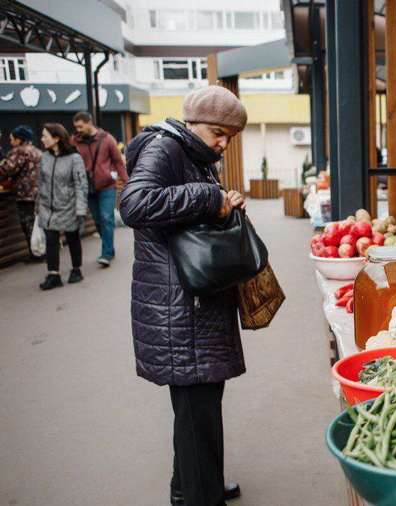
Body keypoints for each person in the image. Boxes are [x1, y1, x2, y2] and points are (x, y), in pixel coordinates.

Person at [120, 85, 248, 506]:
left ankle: (191, 485)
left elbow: (188, 213)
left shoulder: (191, 152)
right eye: (218, 132)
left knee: (199, 409)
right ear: (191, 122)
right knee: (198, 409)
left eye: (229, 136)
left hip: (189, 299)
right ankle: (200, 495)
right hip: (179, 305)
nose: (222, 143)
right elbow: (135, 204)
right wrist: (211, 197)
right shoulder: (165, 148)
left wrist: (224, 203)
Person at [36, 124, 88, 290]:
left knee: (72, 238)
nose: (42, 139)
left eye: (45, 136)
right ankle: (54, 274)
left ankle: (76, 269)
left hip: (68, 205)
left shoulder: (74, 158)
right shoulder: (44, 157)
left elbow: (81, 185)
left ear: (56, 138)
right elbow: (41, 182)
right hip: (47, 207)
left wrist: (80, 209)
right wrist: (38, 205)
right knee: (51, 239)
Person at [73, 110, 127, 266]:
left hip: (107, 186)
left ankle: (107, 253)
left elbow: (118, 161)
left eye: (80, 126)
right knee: (97, 220)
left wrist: (127, 182)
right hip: (88, 187)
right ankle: (109, 247)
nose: (78, 130)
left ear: (90, 123)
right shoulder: (76, 142)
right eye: (76, 127)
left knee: (106, 218)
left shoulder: (106, 139)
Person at [1, 125, 44, 263]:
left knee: (28, 224)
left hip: (26, 194)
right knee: (38, 223)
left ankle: (36, 253)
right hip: (40, 193)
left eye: (12, 139)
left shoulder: (19, 152)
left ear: (19, 139)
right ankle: (42, 251)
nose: (11, 143)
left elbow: (6, 169)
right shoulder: (37, 151)